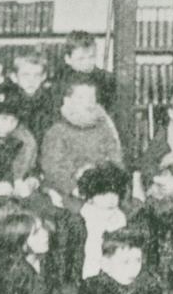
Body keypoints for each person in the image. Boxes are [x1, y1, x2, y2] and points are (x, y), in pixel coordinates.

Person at [41, 78, 124, 213]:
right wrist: (76, 188)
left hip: (104, 187)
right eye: (81, 97)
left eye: (92, 97)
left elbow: (116, 160)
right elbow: (53, 169)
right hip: (71, 191)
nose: (88, 103)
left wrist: (103, 180)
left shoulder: (104, 128)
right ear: (67, 101)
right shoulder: (57, 131)